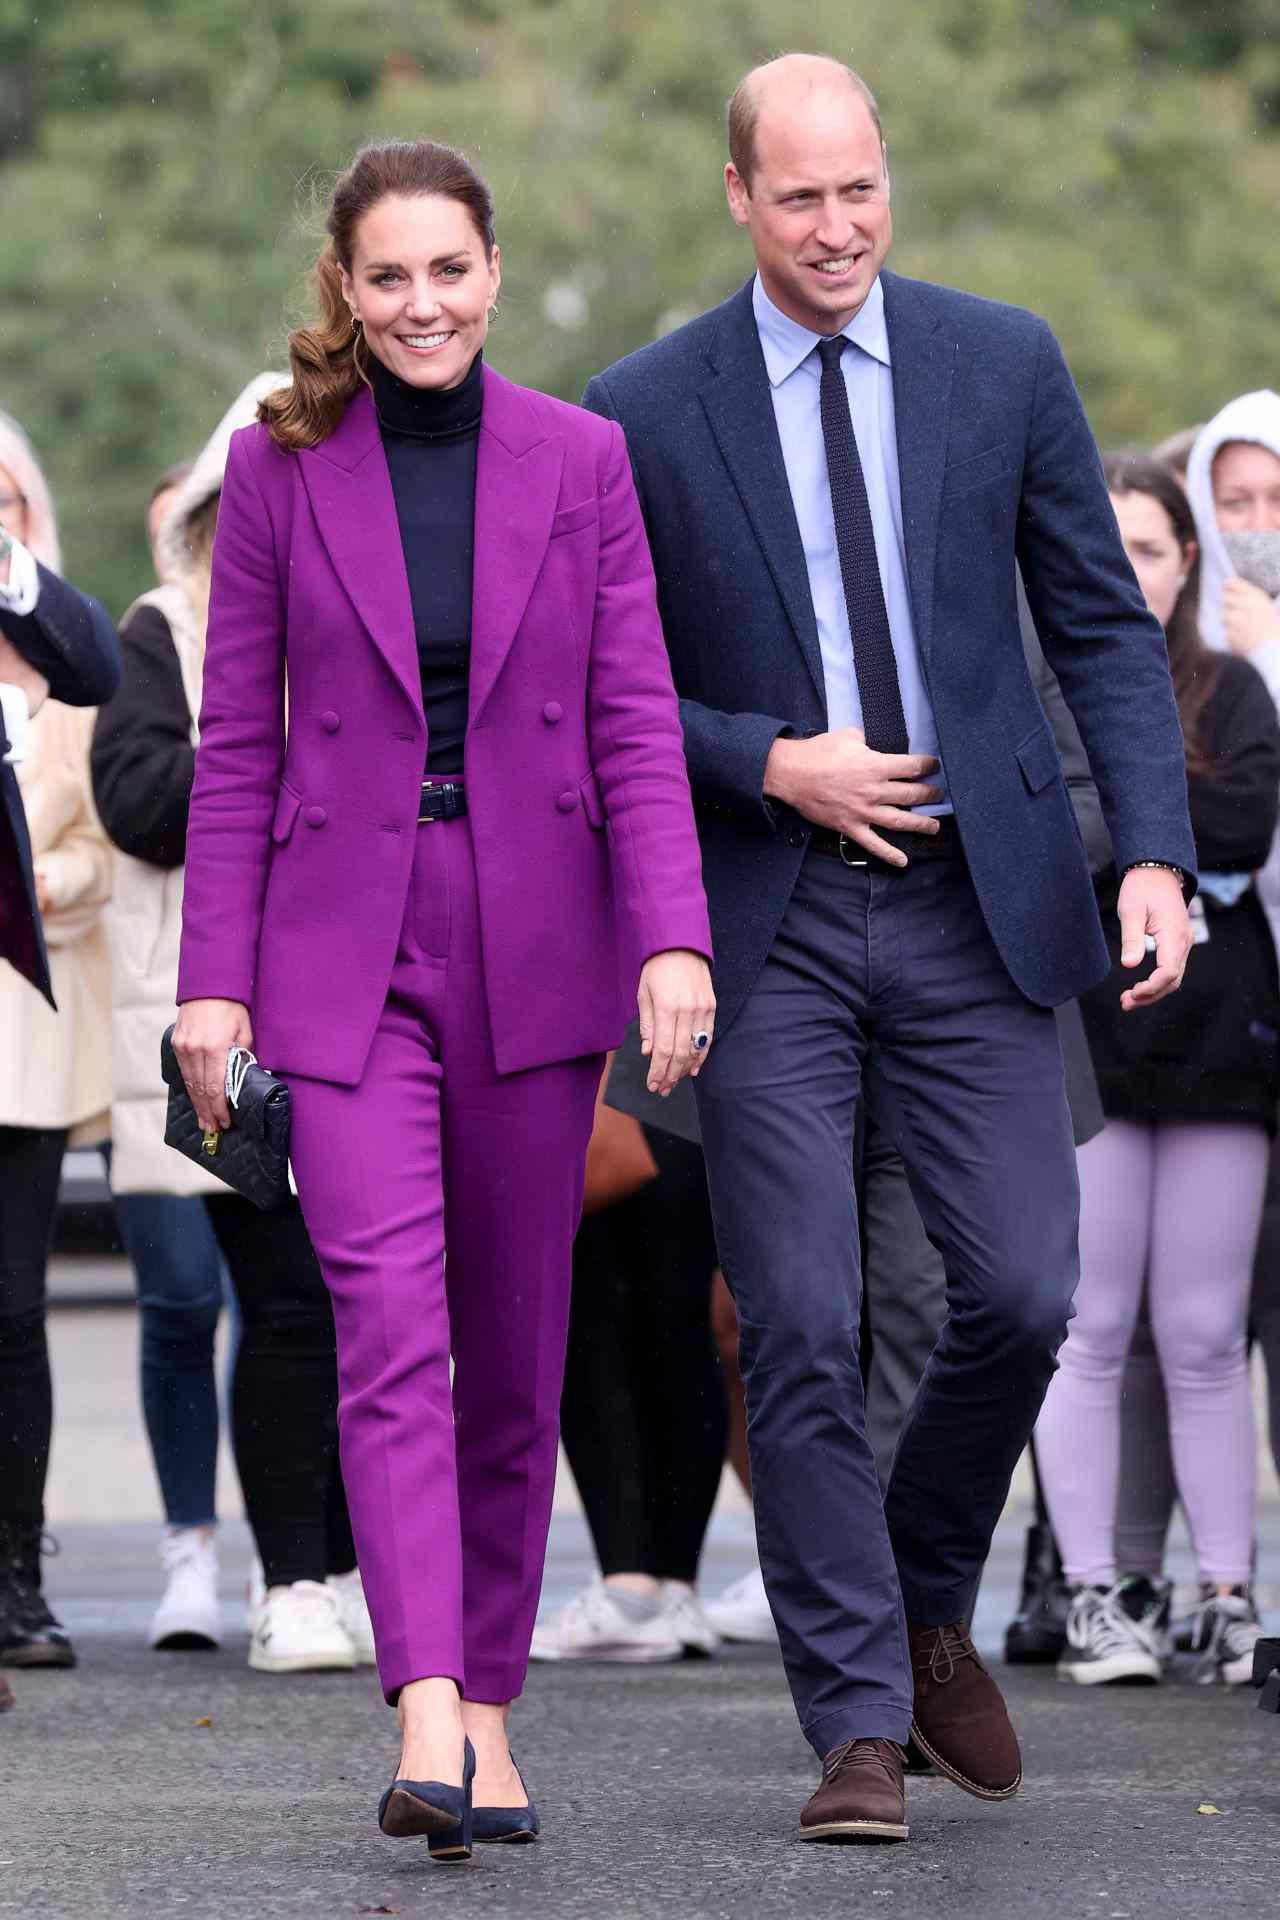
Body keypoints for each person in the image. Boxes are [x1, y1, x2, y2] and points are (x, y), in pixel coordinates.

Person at [585, 54, 1194, 1845]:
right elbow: (606, 688)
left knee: (1021, 1294)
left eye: (861, 190)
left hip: (974, 904)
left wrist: (1150, 855)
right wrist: (762, 759)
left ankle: (923, 1587)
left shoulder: (1000, 361)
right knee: (801, 1321)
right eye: (799, 198)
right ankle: (855, 1719)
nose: (838, 227)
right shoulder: (645, 404)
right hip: (768, 919)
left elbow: (1095, 623)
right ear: (737, 201)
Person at [171, 139, 712, 1858]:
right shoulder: (277, 468)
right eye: (387, 276)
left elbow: (634, 714)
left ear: (494, 269)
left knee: (512, 1346)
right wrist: (209, 992)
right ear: (345, 283)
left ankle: (489, 1699)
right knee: (387, 1324)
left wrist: (673, 937)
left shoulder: (584, 459)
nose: (421, 305)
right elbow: (239, 745)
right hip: (341, 951)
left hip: (535, 939)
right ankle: (423, 1705)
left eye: (449, 271)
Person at [92, 390, 372, 1672]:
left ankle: (365, 1569)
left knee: (380, 1304)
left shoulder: (383, 629)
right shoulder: (162, 634)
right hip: (223, 1026)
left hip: (370, 1002)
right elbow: (138, 799)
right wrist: (271, 753)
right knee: (283, 1300)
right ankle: (292, 1576)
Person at [1037, 453, 1280, 1685]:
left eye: (1150, 546)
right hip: (1087, 1036)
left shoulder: (1232, 689)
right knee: (1087, 1327)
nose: (1129, 567)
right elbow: (1052, 831)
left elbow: (1242, 826)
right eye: (1109, 544)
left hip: (1218, 1049)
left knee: (1198, 1331)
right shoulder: (1041, 690)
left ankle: (1226, 1596)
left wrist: (1129, 821)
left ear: (1189, 561)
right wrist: (1150, 827)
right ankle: (1096, 1596)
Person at [0, 410, 120, 1682]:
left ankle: (19, 1577)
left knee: (13, 1311)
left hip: (22, 1030)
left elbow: (98, 839)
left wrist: (29, 875)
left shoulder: (61, 656)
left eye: (9, 501)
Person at [532, 1039, 725, 1666]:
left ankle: (629, 1584)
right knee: (681, 1315)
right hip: (695, 1037)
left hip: (606, 1032)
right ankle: (674, 1584)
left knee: (592, 1318)